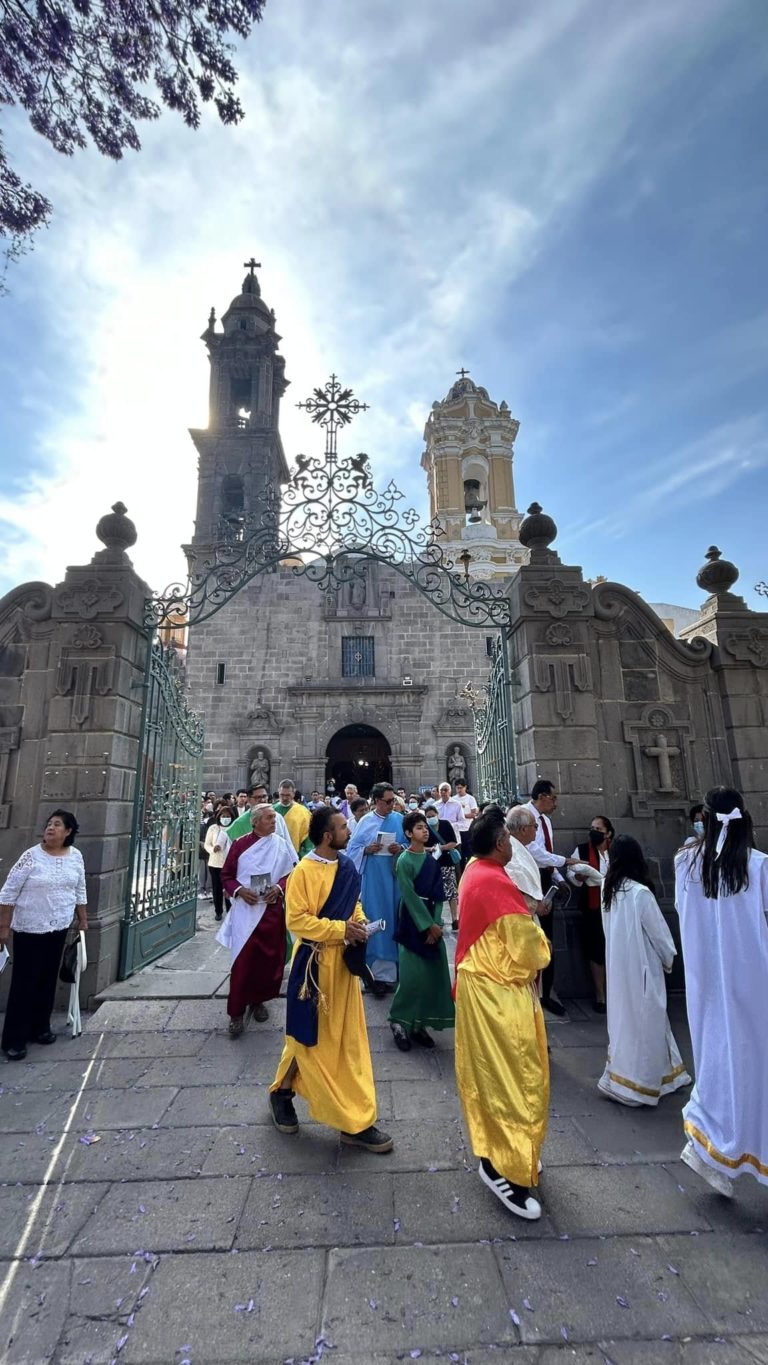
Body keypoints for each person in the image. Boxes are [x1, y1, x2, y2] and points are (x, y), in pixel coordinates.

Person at [269, 806, 393, 1153]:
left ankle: (352, 1116)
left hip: (343, 968)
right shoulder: (303, 872)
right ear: (327, 836)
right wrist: (341, 930)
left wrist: (360, 922)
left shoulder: (347, 866)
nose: (348, 831)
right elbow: (297, 921)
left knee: (346, 1042)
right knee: (308, 1039)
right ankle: (283, 1093)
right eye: (342, 828)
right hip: (314, 969)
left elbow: (352, 905)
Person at [454, 808, 551, 1220]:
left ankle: (513, 1148)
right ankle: (502, 1168)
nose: (513, 843)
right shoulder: (497, 886)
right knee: (512, 1079)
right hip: (497, 995)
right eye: (509, 839)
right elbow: (533, 951)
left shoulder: (475, 869)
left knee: (492, 1076)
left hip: (480, 986)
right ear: (498, 844)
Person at [675, 786, 768, 1196]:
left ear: (706, 819)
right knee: (755, 1063)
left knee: (716, 1058)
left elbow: (682, 910)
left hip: (708, 980)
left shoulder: (686, 863)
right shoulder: (759, 866)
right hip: (753, 981)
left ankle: (713, 1150)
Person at [598, 834, 690, 1109]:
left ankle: (649, 1076)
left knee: (625, 1023)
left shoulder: (608, 888)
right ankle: (643, 1084)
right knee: (647, 1025)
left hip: (618, 967)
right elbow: (660, 936)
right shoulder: (641, 893)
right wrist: (668, 958)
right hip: (643, 968)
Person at [0, 810, 88, 1061]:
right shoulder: (30, 857)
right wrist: (3, 928)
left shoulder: (76, 857)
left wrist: (82, 919)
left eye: (57, 825)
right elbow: (7, 893)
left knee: (48, 979)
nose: (51, 828)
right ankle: (14, 1039)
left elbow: (80, 888)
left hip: (59, 926)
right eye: (49, 824)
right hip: (30, 927)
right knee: (24, 983)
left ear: (68, 831)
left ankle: (40, 1028)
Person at [218, 805, 296, 1036]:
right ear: (255, 822)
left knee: (268, 960)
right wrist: (240, 891)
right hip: (246, 911)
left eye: (274, 817)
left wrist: (279, 889)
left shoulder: (280, 844)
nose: (275, 821)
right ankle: (236, 1013)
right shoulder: (241, 844)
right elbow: (227, 875)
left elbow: (291, 873)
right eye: (270, 818)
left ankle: (259, 1000)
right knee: (243, 962)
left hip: (271, 911)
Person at [389, 811, 455, 1051]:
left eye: (425, 827)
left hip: (432, 923)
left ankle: (419, 1024)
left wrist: (436, 924)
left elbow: (438, 895)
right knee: (411, 977)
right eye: (419, 828)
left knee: (430, 976)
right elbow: (408, 895)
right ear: (408, 833)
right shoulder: (404, 861)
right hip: (411, 921)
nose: (425, 831)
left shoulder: (431, 861)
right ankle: (398, 1021)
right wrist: (427, 925)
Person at [523, 780, 580, 1017]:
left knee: (547, 937)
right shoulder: (526, 817)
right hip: (529, 880)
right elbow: (535, 853)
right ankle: (530, 988)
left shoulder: (545, 821)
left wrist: (558, 877)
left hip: (545, 879)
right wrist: (563, 862)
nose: (556, 803)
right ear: (542, 796)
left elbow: (546, 852)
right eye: (553, 798)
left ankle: (547, 992)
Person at [347, 782, 405, 995]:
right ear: (375, 801)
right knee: (378, 920)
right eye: (387, 801)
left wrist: (401, 848)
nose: (392, 805)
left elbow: (412, 844)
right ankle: (377, 975)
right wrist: (365, 850)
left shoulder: (399, 819)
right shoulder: (365, 822)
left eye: (393, 801)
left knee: (397, 919)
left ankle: (399, 968)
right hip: (374, 879)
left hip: (396, 877)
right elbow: (351, 849)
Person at [568, 816, 615, 1013]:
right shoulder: (583, 850)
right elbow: (572, 872)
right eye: (592, 828)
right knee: (596, 951)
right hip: (593, 906)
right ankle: (600, 995)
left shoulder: (616, 850)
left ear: (608, 833)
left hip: (615, 906)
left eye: (598, 828)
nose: (594, 831)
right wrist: (578, 877)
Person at [228, 783, 297, 864]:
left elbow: (287, 843)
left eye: (264, 796)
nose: (262, 800)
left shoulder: (277, 817)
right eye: (258, 797)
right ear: (249, 800)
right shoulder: (240, 823)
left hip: (276, 866)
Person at [424, 802, 461, 931]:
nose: (431, 818)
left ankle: (455, 918)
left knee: (451, 891)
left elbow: (454, 842)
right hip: (432, 864)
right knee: (435, 892)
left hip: (447, 862)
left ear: (437, 815)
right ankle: (435, 919)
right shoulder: (425, 829)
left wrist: (441, 848)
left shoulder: (445, 824)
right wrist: (431, 849)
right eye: (428, 816)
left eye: (433, 815)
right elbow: (421, 846)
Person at [205, 802, 236, 921]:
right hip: (215, 863)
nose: (225, 818)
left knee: (229, 888)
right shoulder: (213, 828)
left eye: (228, 816)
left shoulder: (235, 827)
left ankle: (230, 910)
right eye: (223, 816)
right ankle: (218, 911)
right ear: (219, 817)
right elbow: (207, 844)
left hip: (230, 864)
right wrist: (213, 849)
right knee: (217, 888)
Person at [273, 779, 313, 857]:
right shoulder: (271, 810)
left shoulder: (303, 812)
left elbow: (308, 837)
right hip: (275, 855)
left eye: (288, 795)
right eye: (282, 795)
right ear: (278, 792)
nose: (284, 798)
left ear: (293, 794)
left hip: (296, 855)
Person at [455, 779, 479, 866]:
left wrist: (462, 815)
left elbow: (474, 814)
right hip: (457, 830)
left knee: (469, 852)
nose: (459, 790)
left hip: (468, 828)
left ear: (465, 787)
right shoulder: (453, 799)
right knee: (459, 854)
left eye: (461, 788)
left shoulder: (470, 799)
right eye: (457, 788)